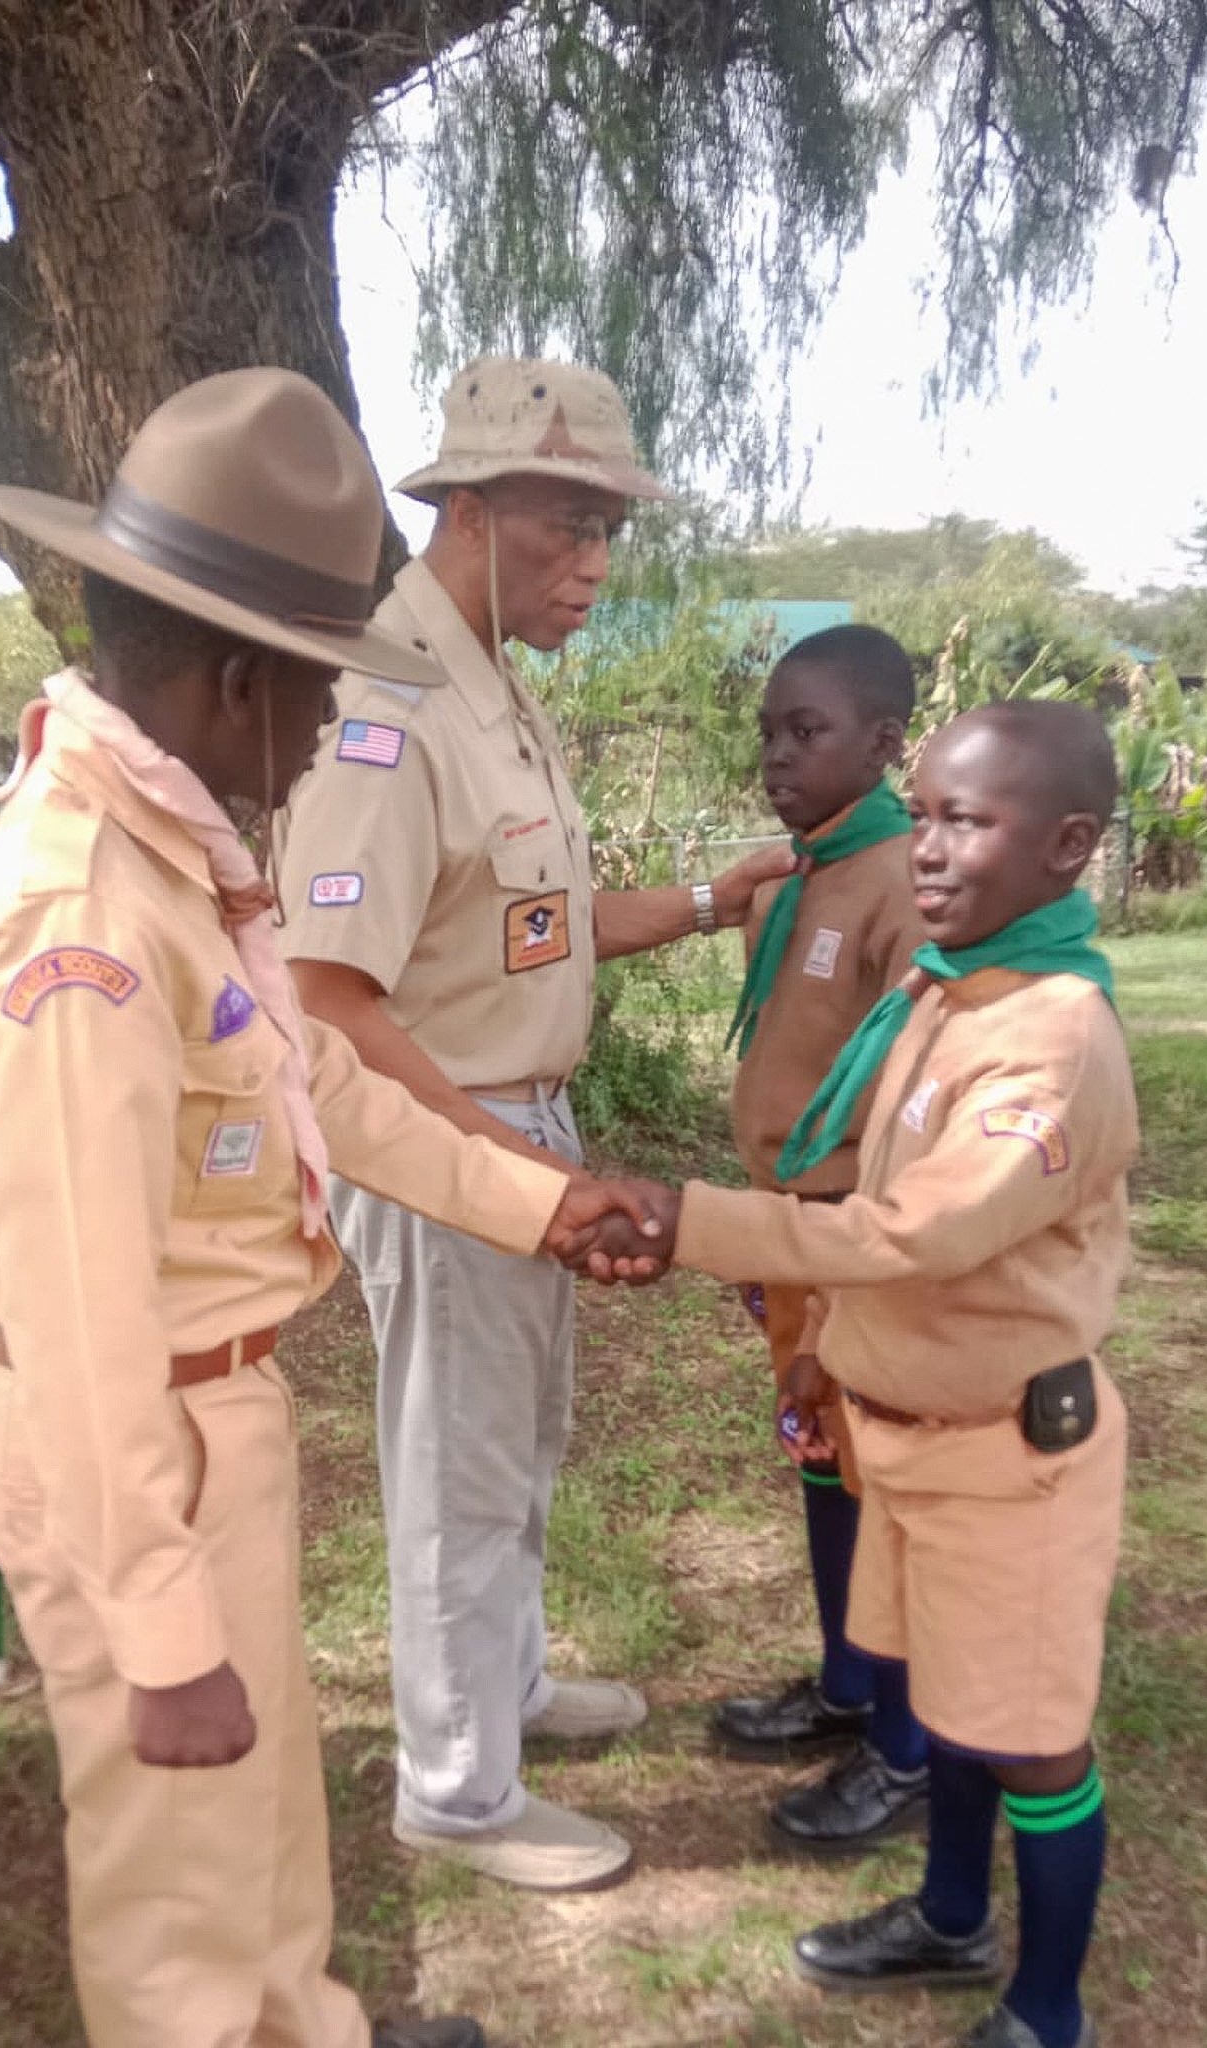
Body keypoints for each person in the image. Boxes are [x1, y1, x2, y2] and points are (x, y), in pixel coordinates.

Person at [0, 367, 658, 2048]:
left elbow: (323, 1076)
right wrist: (158, 1626)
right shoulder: (81, 927)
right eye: (320, 684)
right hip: (130, 1444)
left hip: (202, 1415)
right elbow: (81, 1316)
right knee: (176, 1881)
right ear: (240, 676)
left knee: (258, 1805)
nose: (330, 726)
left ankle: (304, 2021)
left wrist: (536, 1202)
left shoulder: (168, 852)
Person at [275, 356, 791, 1892]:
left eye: (608, 527)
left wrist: (710, 901)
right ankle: (456, 1790)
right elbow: (328, 998)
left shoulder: (489, 690)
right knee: (461, 1470)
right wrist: (512, 1173)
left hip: (519, 1124)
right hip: (449, 1143)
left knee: (518, 1444)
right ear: (471, 511)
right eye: (570, 523)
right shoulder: (385, 709)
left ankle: (504, 1693)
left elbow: (537, 927)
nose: (598, 562)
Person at [581, 700, 1137, 2048]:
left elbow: (915, 1229)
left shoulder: (1051, 1036)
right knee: (951, 1699)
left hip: (1007, 1456)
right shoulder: (947, 988)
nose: (929, 848)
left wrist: (689, 1220)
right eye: (926, 813)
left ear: (1068, 845)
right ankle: (951, 1917)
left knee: (1031, 1736)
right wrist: (825, 1351)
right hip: (912, 1426)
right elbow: (868, 1174)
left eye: (969, 821)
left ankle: (1047, 2011)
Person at [712, 623, 933, 1854]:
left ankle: (905, 1744)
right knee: (819, 1447)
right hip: (787, 1227)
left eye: (808, 732)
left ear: (885, 741)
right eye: (768, 733)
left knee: (879, 1477)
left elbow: (908, 1094)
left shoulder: (905, 880)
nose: (778, 756)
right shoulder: (789, 877)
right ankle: (848, 1682)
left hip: (853, 1232)